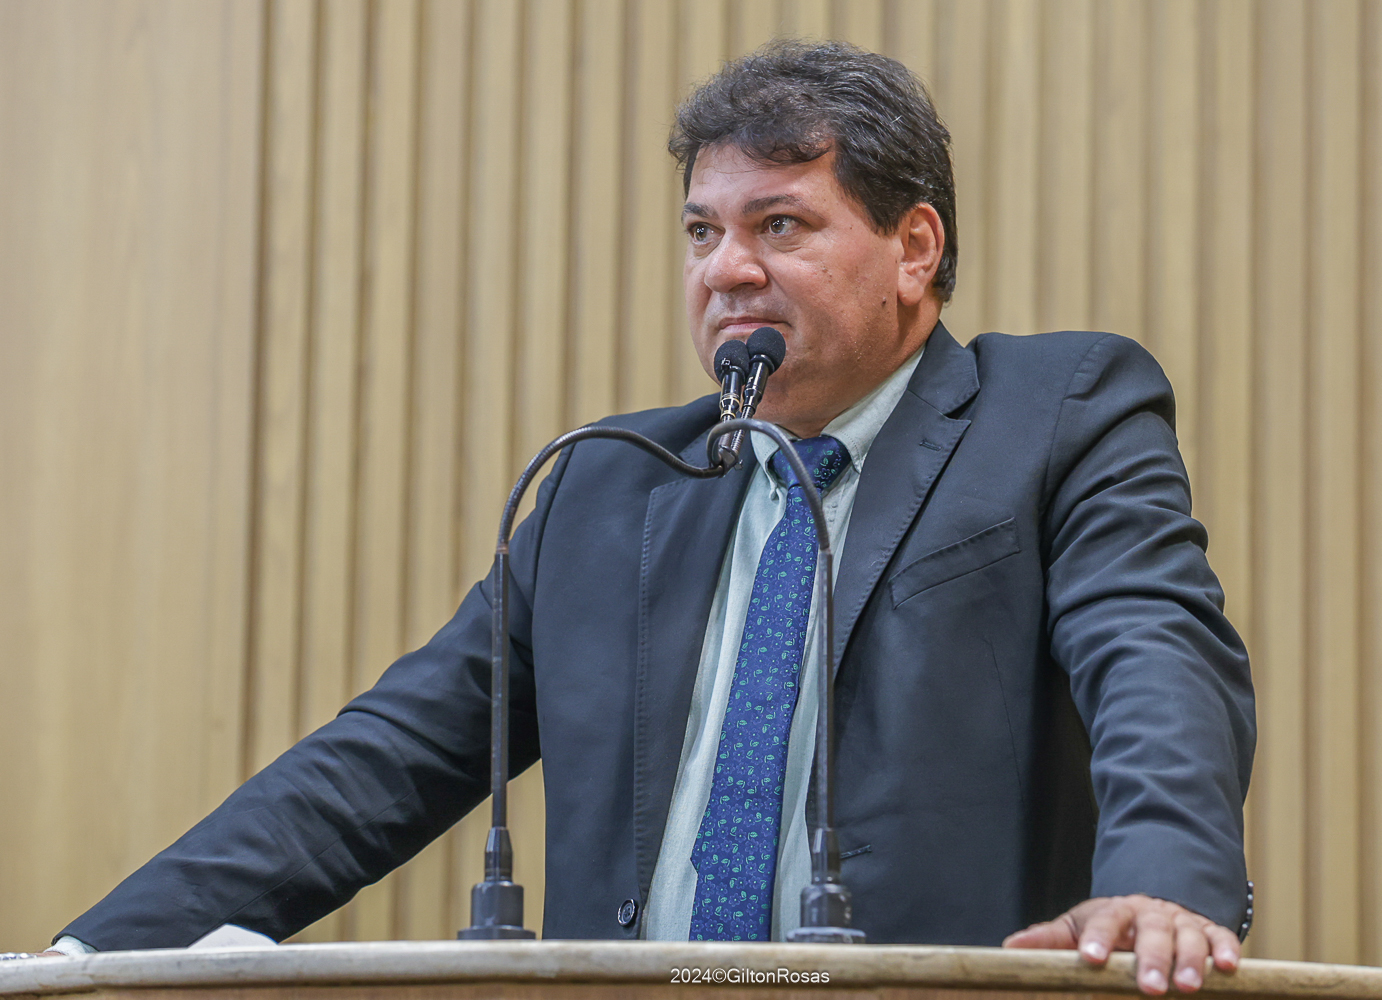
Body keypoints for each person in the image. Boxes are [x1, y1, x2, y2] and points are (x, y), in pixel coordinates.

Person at [41, 41, 1253, 996]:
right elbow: (385, 759)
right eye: (701, 231)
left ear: (913, 248)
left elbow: (1153, 650)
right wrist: (88, 958)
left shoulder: (1055, 415)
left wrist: (1163, 882)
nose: (725, 269)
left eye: (780, 224)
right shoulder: (607, 488)